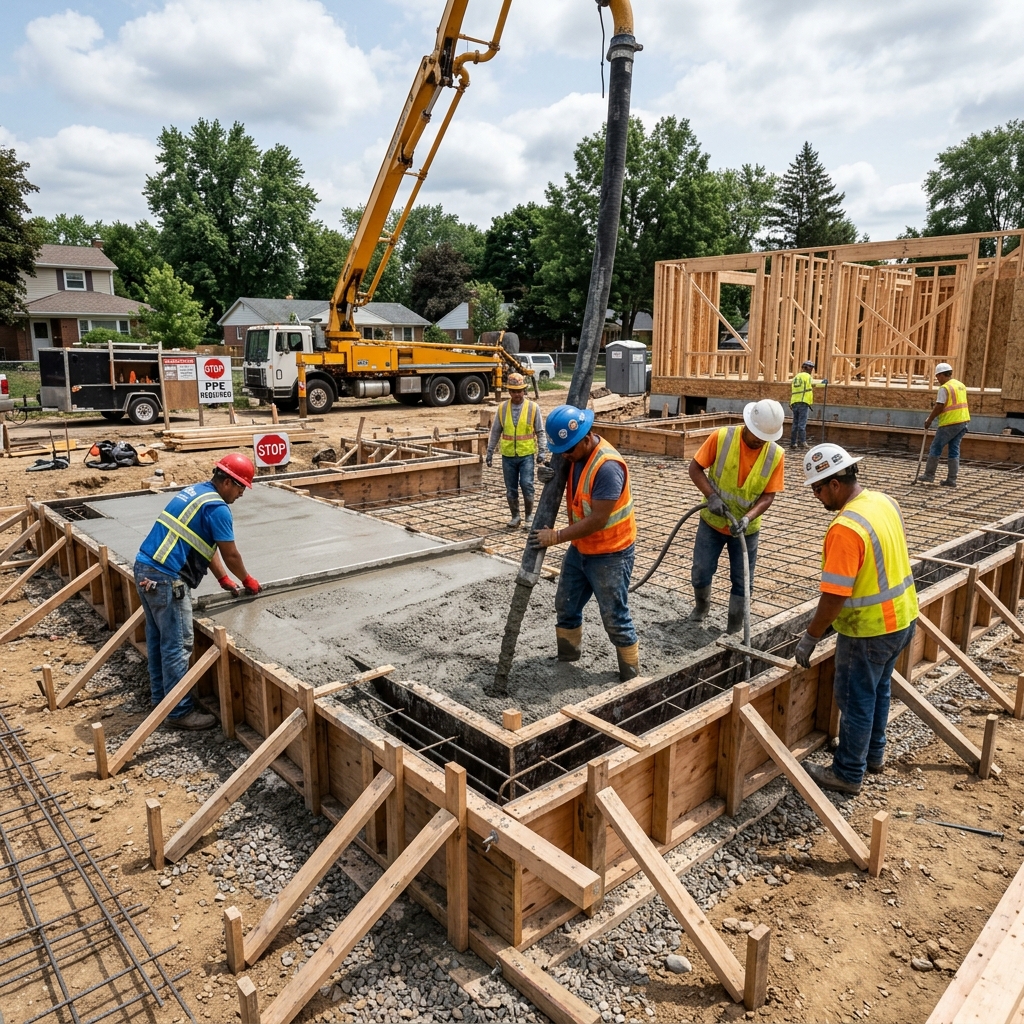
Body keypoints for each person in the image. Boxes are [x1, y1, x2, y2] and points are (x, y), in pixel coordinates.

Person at [795, 443, 918, 795]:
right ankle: (872, 755)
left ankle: (848, 773)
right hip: (904, 618)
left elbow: (835, 595)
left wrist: (811, 636)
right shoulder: (883, 501)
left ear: (835, 483)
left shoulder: (845, 528)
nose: (816, 496)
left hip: (869, 630)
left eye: (818, 489)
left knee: (855, 699)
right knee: (878, 689)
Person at [134, 454, 261, 730]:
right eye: (241, 487)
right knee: (178, 645)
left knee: (158, 639)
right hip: (167, 579)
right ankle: (179, 712)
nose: (241, 494)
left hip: (146, 569)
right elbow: (230, 553)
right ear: (227, 482)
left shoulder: (196, 493)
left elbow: (201, 543)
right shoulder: (217, 508)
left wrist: (222, 578)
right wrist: (246, 579)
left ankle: (162, 701)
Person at [533, 404, 639, 682]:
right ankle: (567, 660)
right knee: (565, 605)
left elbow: (598, 520)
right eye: (560, 451)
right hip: (581, 548)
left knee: (615, 618)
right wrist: (550, 476)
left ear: (586, 438)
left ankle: (631, 676)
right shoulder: (574, 454)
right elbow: (567, 473)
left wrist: (556, 536)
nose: (564, 456)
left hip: (611, 553)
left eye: (568, 450)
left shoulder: (608, 467)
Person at [687, 399, 786, 633]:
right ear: (748, 424)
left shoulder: (775, 454)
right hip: (712, 522)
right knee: (701, 571)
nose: (760, 441)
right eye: (757, 436)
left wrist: (748, 517)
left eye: (764, 438)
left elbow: (768, 496)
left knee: (742, 581)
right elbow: (695, 468)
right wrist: (711, 496)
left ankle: (734, 627)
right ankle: (701, 607)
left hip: (746, 530)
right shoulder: (722, 437)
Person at [485, 372, 549, 529]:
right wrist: (490, 451)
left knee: (527, 485)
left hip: (526, 455)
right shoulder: (502, 409)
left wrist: (542, 451)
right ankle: (515, 517)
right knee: (511, 489)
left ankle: (529, 516)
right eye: (513, 391)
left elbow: (540, 431)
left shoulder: (533, 408)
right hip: (508, 456)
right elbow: (495, 431)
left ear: (524, 390)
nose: (517, 394)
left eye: (519, 391)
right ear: (509, 391)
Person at [922, 362, 969, 487]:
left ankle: (929, 475)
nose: (937, 379)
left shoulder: (945, 388)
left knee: (935, 447)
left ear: (942, 375)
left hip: (949, 423)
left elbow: (939, 406)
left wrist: (929, 420)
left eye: (938, 376)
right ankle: (952, 479)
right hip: (962, 422)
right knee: (954, 450)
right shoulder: (960, 385)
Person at [789, 360, 822, 450]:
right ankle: (802, 442)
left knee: (795, 424)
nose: (811, 371)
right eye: (811, 369)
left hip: (794, 403)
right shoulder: (807, 376)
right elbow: (814, 384)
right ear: (808, 369)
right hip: (803, 402)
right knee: (802, 424)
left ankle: (793, 443)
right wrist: (823, 383)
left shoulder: (796, 377)